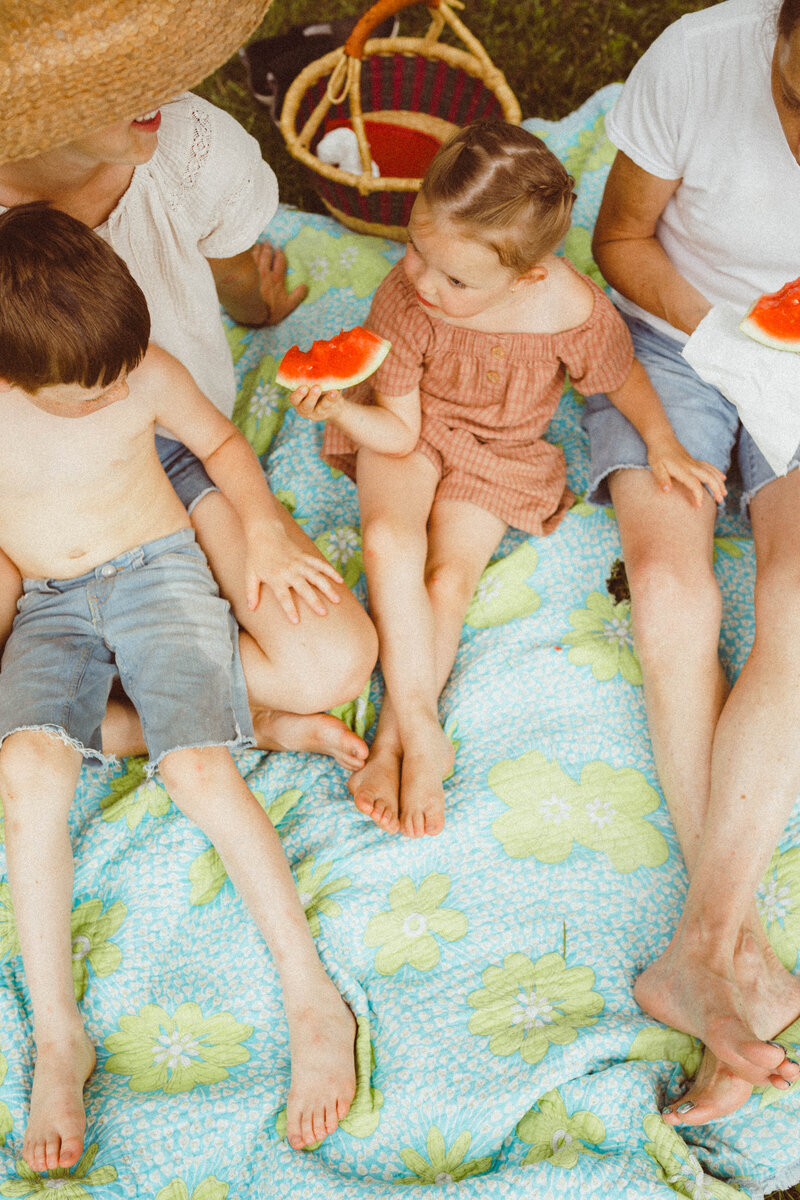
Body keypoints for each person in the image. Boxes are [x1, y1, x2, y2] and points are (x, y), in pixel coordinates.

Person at [0, 202, 358, 1173]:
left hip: (157, 573)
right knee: (27, 773)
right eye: (84, 392)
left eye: (123, 371)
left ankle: (307, 992)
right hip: (52, 604)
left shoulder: (142, 373)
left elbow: (223, 449)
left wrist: (267, 529)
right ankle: (58, 1034)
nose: (114, 394)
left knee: (195, 769)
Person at [288, 121, 726, 838]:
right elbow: (398, 432)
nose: (423, 281)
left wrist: (663, 441)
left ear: (529, 275)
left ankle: (401, 736)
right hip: (414, 431)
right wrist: (339, 405)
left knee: (447, 581)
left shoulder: (574, 310)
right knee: (387, 540)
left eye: (455, 277)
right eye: (416, 249)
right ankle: (426, 729)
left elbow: (622, 377)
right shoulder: (406, 304)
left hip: (502, 448)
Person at [0, 0, 378, 772]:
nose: (160, 90)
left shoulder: (190, 144)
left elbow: (230, 259)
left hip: (166, 451)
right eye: (118, 79)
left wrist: (256, 305)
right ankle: (240, 719)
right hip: (16, 485)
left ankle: (98, 718)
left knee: (334, 660)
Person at [584, 0, 800, 1124]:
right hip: (671, 342)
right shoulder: (696, 58)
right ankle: (731, 953)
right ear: (777, 32)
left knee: (796, 599)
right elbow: (614, 239)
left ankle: (699, 955)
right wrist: (717, 337)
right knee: (668, 591)